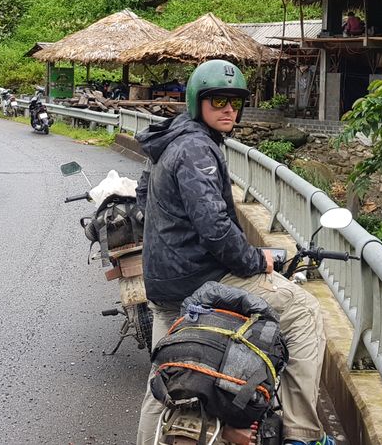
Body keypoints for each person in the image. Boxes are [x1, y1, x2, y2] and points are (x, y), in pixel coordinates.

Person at [134, 59, 333, 445]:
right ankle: (302, 433)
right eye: (218, 100)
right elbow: (216, 228)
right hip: (201, 281)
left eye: (235, 102)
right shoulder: (197, 148)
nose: (228, 109)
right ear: (198, 102)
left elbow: (145, 197)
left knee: (166, 374)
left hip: (164, 285)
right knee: (304, 310)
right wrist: (257, 259)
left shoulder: (172, 140)